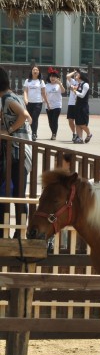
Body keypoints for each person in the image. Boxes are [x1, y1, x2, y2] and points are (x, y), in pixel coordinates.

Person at [0, 67, 32, 236]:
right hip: (17, 153)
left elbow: (25, 115)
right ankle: (16, 233)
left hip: (17, 152)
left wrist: (9, 130)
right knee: (14, 193)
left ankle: (18, 234)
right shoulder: (11, 96)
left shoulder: (6, 98)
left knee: (16, 194)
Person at [23, 65, 47, 141]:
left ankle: (34, 133)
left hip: (38, 102)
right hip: (29, 102)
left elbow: (43, 92)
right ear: (31, 71)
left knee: (34, 117)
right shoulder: (27, 81)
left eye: (37, 70)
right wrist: (25, 99)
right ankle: (33, 132)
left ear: (39, 72)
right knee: (29, 118)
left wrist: (46, 101)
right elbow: (25, 91)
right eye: (34, 70)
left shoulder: (41, 81)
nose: (35, 71)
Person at [72, 70, 92, 144]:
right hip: (78, 105)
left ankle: (89, 134)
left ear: (81, 75)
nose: (76, 75)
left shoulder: (85, 84)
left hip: (83, 106)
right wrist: (74, 90)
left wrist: (75, 91)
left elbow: (82, 95)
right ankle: (80, 138)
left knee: (83, 123)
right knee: (77, 123)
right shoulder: (79, 84)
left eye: (78, 74)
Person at [44, 68, 64, 141]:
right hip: (48, 105)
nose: (52, 78)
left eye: (54, 77)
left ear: (57, 78)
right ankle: (53, 132)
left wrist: (60, 84)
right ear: (49, 77)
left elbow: (63, 91)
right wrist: (46, 103)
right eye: (51, 76)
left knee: (54, 120)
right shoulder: (46, 85)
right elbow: (44, 95)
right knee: (50, 121)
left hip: (57, 105)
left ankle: (54, 134)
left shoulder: (59, 85)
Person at [65, 70, 79, 142]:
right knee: (70, 120)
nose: (76, 76)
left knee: (78, 121)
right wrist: (74, 71)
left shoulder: (82, 83)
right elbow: (67, 76)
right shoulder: (73, 81)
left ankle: (78, 135)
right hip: (71, 103)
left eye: (77, 74)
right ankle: (74, 133)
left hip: (78, 104)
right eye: (75, 75)